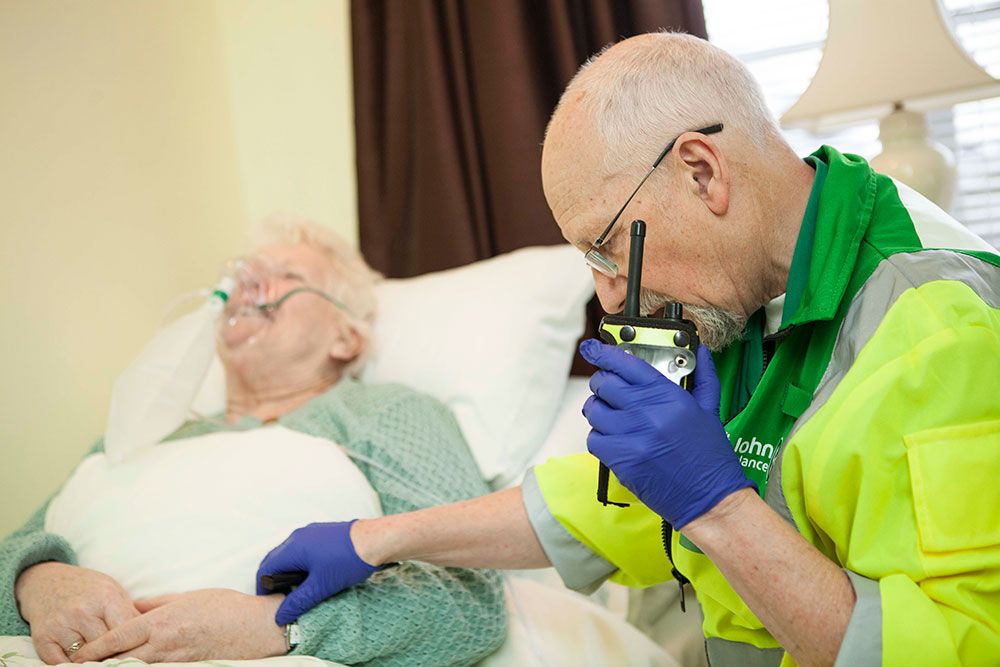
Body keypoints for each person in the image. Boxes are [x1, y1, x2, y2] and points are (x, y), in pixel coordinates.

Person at [255, 32, 1000, 666]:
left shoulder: (935, 327)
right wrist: (378, 537)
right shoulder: (742, 291)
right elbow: (615, 501)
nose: (611, 296)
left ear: (702, 171)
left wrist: (718, 506)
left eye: (609, 248)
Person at [0, 217, 506, 666]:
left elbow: (470, 600)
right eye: (246, 272)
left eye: (290, 276)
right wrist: (34, 581)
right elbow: (14, 552)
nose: (250, 284)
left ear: (344, 338)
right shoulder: (146, 433)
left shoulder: (381, 413)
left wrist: (274, 626)